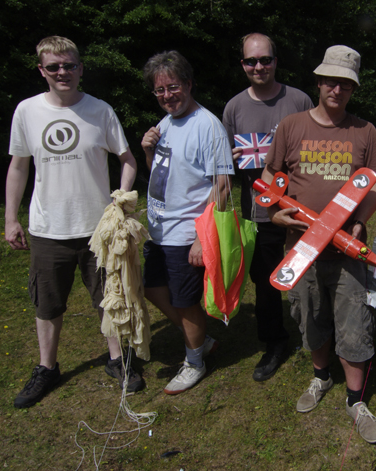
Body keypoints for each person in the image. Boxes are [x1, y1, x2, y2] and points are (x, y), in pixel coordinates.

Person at [261, 45, 376, 444]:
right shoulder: (291, 126)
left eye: (346, 84)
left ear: (352, 88)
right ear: (319, 82)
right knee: (309, 314)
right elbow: (270, 174)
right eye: (331, 81)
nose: (337, 89)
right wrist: (274, 214)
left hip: (346, 247)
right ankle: (320, 378)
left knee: (354, 318)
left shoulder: (364, 130)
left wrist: (362, 222)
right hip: (301, 246)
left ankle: (355, 399)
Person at [6, 36, 140, 409]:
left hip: (98, 229)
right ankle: (47, 367)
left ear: (81, 68)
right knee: (47, 304)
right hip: (48, 228)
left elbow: (127, 159)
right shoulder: (27, 112)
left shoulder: (100, 111)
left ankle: (119, 360)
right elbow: (18, 167)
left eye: (69, 65)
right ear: (42, 71)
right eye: (54, 67)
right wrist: (9, 219)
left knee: (109, 300)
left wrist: (121, 198)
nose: (62, 72)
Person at [141, 51, 234, 395]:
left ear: (189, 84)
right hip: (160, 230)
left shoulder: (207, 125)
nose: (167, 95)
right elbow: (161, 177)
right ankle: (202, 341)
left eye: (173, 87)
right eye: (160, 90)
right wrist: (148, 152)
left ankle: (194, 361)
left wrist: (201, 237)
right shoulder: (165, 124)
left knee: (185, 301)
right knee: (152, 289)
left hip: (185, 233)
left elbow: (222, 186)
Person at [222, 33, 313, 382]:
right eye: (251, 61)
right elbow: (224, 166)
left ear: (276, 61)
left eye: (265, 60)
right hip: (258, 212)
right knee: (266, 282)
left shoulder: (299, 99)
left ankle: (316, 335)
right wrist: (230, 162)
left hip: (302, 210)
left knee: (309, 277)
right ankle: (274, 342)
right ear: (243, 64)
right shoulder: (234, 108)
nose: (258, 67)